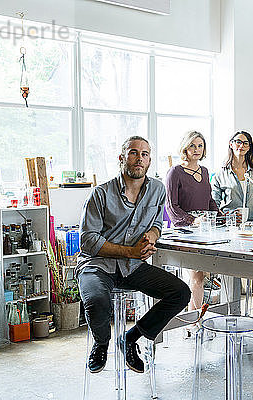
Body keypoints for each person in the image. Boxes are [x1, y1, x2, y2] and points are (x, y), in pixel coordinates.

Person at [77, 136, 191, 374]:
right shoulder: (100, 194)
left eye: (145, 154)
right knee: (97, 301)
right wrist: (130, 251)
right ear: (122, 158)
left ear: (149, 161)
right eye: (133, 153)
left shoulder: (158, 189)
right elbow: (87, 241)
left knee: (180, 293)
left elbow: (158, 223)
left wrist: (152, 233)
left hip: (133, 266)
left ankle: (130, 337)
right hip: (97, 265)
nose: (139, 158)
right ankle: (101, 344)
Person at [212, 131, 253, 316]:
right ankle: (233, 312)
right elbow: (214, 203)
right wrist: (229, 215)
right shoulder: (221, 174)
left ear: (249, 146)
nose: (242, 145)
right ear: (231, 144)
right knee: (234, 269)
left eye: (246, 143)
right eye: (238, 142)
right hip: (232, 231)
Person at [165, 131, 219, 315]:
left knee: (200, 277)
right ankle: (195, 321)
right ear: (185, 148)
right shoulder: (175, 172)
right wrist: (193, 220)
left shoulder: (204, 171)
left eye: (200, 146)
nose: (196, 149)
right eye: (192, 146)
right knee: (196, 276)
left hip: (204, 230)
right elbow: (171, 206)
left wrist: (221, 216)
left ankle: (195, 320)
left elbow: (209, 200)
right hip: (185, 231)